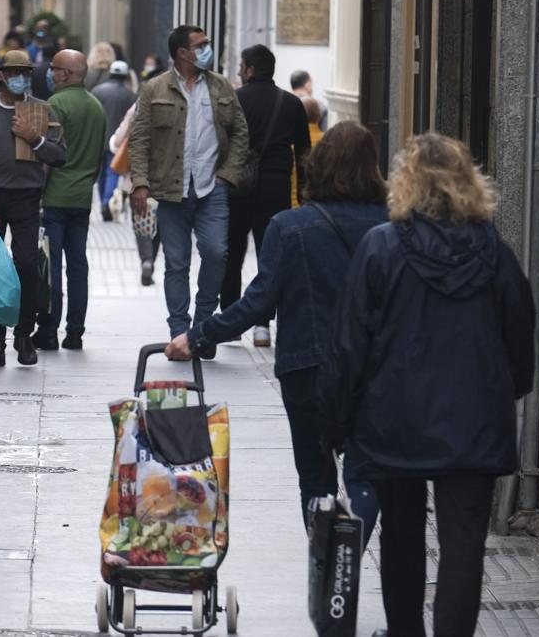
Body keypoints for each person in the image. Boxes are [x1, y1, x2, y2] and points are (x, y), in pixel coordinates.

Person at [319, 133, 534, 637]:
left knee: (401, 541)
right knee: (464, 547)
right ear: (468, 182)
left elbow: (349, 344)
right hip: (474, 421)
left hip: (396, 420)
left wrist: (334, 421)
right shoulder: (493, 252)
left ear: (405, 183)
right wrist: (510, 390)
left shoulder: (381, 248)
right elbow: (520, 334)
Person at [166, 121, 387, 540]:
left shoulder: (289, 226)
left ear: (317, 166)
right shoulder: (393, 226)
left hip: (307, 366)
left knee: (315, 476)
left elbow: (258, 302)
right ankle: (349, 555)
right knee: (366, 471)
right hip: (372, 369)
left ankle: (326, 565)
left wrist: (198, 336)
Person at [128, 25, 249, 355]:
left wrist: (228, 175)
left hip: (213, 190)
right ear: (183, 53)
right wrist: (139, 183)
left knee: (216, 253)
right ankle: (180, 331)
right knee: (176, 263)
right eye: (202, 45)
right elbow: (138, 140)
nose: (208, 49)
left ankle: (203, 328)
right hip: (171, 192)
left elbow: (240, 134)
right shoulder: (154, 89)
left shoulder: (222, 86)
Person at [0, 49, 67, 367]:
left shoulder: (42, 109)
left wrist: (34, 138)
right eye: (13, 71)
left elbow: (59, 155)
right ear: (0, 75)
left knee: (26, 265)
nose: (20, 76)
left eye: (25, 71)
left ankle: (24, 336)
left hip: (27, 197)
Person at [222, 44, 311, 348]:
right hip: (276, 187)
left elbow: (219, 144)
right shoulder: (291, 104)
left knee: (232, 253)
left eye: (241, 66)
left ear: (250, 70)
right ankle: (263, 325)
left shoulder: (234, 100)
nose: (238, 71)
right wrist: (303, 194)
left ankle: (231, 321)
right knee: (270, 255)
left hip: (238, 186)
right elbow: (303, 153)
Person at [32, 49, 106, 351]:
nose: (49, 73)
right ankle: (75, 331)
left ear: (65, 74)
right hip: (82, 197)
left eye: (53, 68)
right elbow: (100, 156)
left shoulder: (55, 104)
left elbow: (49, 155)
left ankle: (49, 328)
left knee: (52, 265)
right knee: (78, 266)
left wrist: (38, 192)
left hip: (55, 197)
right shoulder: (96, 106)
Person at [111, 101, 161, 285]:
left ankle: (146, 260)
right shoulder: (178, 104)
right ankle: (151, 261)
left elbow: (117, 142)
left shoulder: (138, 107)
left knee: (142, 225)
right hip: (166, 180)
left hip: (137, 180)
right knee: (159, 225)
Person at [91, 60, 138, 221]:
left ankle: (104, 202)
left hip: (98, 138)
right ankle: (107, 203)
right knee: (113, 172)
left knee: (100, 174)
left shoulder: (97, 91)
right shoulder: (130, 95)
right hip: (118, 142)